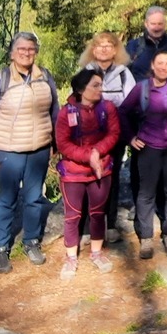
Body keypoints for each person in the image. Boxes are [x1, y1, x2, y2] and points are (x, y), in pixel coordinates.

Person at [0, 32, 58, 275]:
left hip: (39, 149)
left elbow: (55, 110)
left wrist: (56, 142)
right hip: (8, 151)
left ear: (36, 52)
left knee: (34, 198)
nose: (26, 53)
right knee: (6, 199)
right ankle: (0, 248)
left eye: (31, 49)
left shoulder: (45, 77)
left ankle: (31, 242)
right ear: (12, 53)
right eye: (21, 49)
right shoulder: (0, 79)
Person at [118, 51, 167, 259]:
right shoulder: (141, 88)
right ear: (152, 65)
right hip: (149, 147)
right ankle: (146, 237)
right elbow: (123, 112)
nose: (163, 67)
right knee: (146, 193)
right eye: (160, 63)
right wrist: (130, 137)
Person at [54, 69, 122, 279]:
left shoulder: (108, 108)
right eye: (95, 85)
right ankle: (70, 258)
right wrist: (88, 156)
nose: (100, 89)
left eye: (101, 85)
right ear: (81, 89)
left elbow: (114, 133)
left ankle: (97, 253)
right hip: (73, 173)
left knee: (98, 213)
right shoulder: (66, 113)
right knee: (72, 216)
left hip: (101, 170)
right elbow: (63, 143)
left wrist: (97, 153)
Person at [79, 32, 139, 242]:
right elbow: (77, 102)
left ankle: (110, 225)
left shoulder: (124, 74)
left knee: (111, 179)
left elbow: (132, 104)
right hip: (89, 137)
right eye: (99, 45)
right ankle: (88, 228)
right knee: (88, 177)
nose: (104, 49)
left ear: (116, 50)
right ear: (93, 50)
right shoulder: (85, 73)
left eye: (109, 45)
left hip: (115, 136)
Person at [127, 6, 167, 86]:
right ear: (146, 24)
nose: (156, 28)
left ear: (165, 24)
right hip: (139, 92)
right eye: (153, 24)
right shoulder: (134, 46)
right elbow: (124, 74)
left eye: (160, 24)